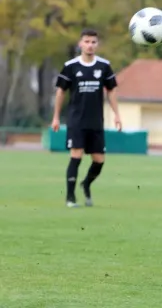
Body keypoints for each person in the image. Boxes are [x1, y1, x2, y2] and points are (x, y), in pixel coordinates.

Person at [52, 29, 122, 208]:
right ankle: (70, 197)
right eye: (87, 42)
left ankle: (86, 184)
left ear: (97, 45)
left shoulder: (104, 66)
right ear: (80, 44)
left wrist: (117, 114)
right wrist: (56, 117)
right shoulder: (71, 66)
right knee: (76, 155)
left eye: (93, 42)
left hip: (96, 121)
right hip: (76, 120)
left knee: (99, 160)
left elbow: (111, 90)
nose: (90, 45)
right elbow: (61, 91)